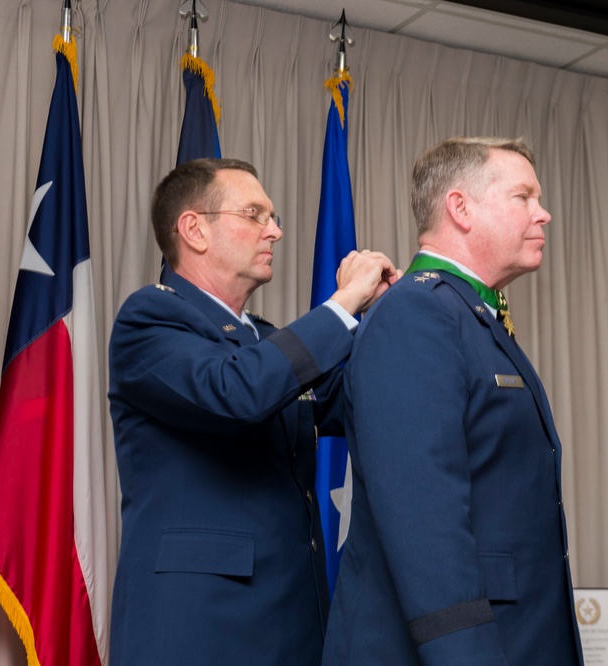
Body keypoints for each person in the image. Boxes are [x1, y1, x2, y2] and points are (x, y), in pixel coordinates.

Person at [108, 157, 399, 665]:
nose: (276, 232)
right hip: (199, 631)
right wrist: (344, 301)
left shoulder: (266, 340)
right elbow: (239, 392)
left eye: (273, 216)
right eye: (255, 215)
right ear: (194, 229)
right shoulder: (149, 319)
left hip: (293, 622)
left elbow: (355, 403)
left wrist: (397, 315)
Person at [322, 137, 584, 665]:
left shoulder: (470, 315)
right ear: (460, 208)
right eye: (524, 197)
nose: (544, 214)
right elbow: (424, 521)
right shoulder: (416, 313)